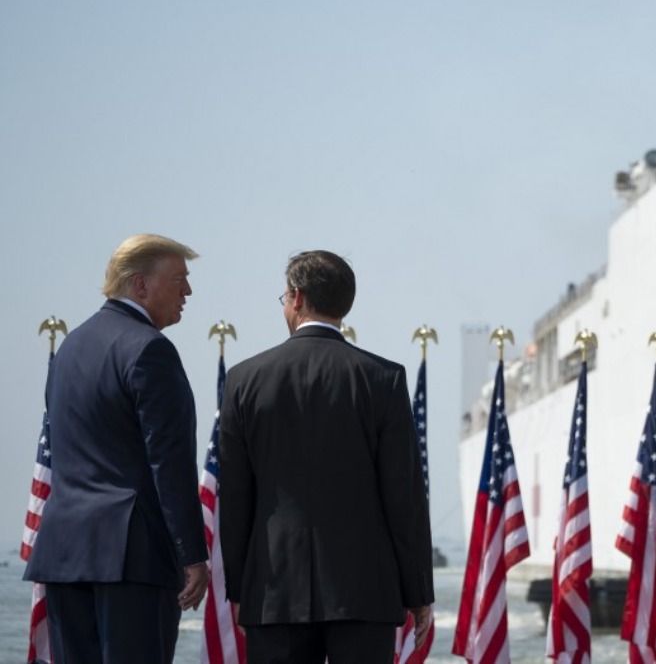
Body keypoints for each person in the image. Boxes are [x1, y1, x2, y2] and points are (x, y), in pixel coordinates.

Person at [219, 250, 434, 663]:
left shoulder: (244, 381)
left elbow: (236, 496)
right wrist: (418, 592)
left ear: (297, 297)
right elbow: (403, 496)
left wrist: (240, 587)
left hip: (273, 591)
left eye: (283, 296)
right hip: (364, 593)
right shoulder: (384, 380)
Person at [25, 233, 210, 663]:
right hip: (132, 560)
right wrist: (193, 555)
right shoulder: (150, 350)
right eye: (179, 279)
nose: (188, 291)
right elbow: (170, 462)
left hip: (64, 555)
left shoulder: (69, 349)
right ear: (140, 285)